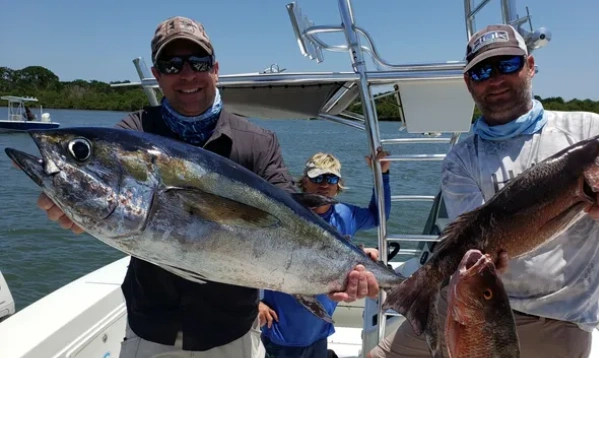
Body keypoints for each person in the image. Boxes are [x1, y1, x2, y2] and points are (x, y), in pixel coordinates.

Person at [33, 16, 381, 360]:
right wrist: (71, 208)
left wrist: (346, 261)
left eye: (197, 62)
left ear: (215, 68)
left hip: (231, 332)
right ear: (156, 75)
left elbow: (296, 219)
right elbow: (111, 199)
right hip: (152, 328)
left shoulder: (258, 143)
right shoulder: (134, 132)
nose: (187, 75)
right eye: (171, 65)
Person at [368, 24, 599, 359]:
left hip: (554, 315)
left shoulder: (588, 131)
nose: (495, 79)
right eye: (482, 71)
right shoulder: (461, 158)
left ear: (530, 66)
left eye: (508, 64)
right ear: (468, 82)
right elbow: (477, 239)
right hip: (470, 291)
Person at [259, 151, 391, 359]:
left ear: (339, 183)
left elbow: (378, 216)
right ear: (304, 181)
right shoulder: (286, 214)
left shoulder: (346, 214)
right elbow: (251, 256)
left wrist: (382, 174)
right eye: (317, 177)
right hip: (281, 330)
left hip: (320, 327)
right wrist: (255, 303)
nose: (324, 184)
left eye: (331, 178)